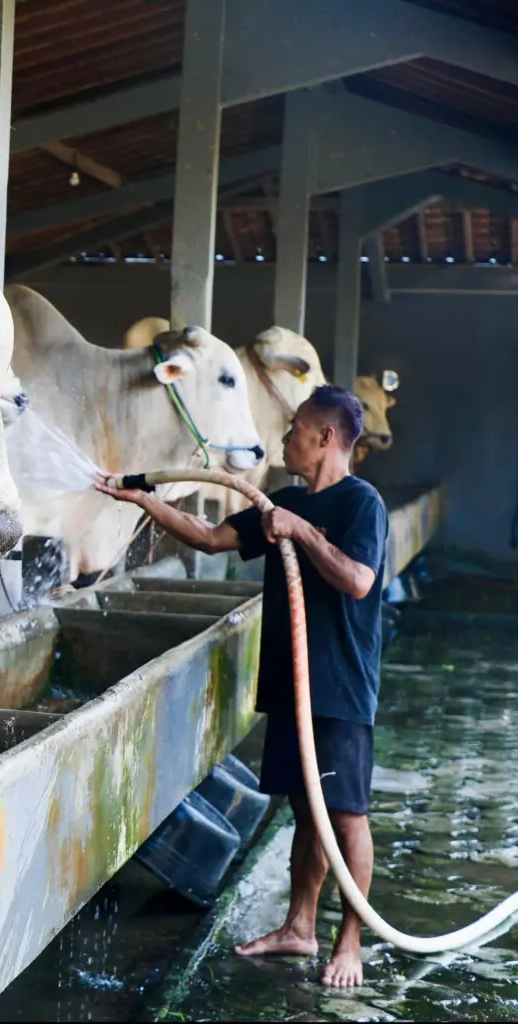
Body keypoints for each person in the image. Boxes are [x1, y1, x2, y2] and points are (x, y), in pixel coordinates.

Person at [96, 384, 387, 988]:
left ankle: (349, 942)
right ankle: (298, 927)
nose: (284, 437)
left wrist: (300, 531)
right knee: (306, 809)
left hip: (337, 688)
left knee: (347, 816)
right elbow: (208, 537)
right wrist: (141, 501)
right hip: (290, 683)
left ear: (326, 438)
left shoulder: (363, 504)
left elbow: (358, 580)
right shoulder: (280, 501)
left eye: (295, 428)